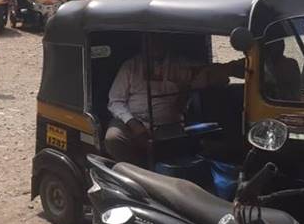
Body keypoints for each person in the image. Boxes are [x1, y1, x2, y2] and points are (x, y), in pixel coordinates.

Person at [104, 38, 243, 165]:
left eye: (158, 40)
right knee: (113, 140)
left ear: (166, 42)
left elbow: (216, 76)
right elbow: (115, 102)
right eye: (150, 40)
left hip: (167, 124)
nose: (154, 45)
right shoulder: (130, 66)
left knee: (177, 151)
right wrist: (134, 125)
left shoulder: (182, 65)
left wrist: (233, 68)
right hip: (131, 120)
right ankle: (136, 173)